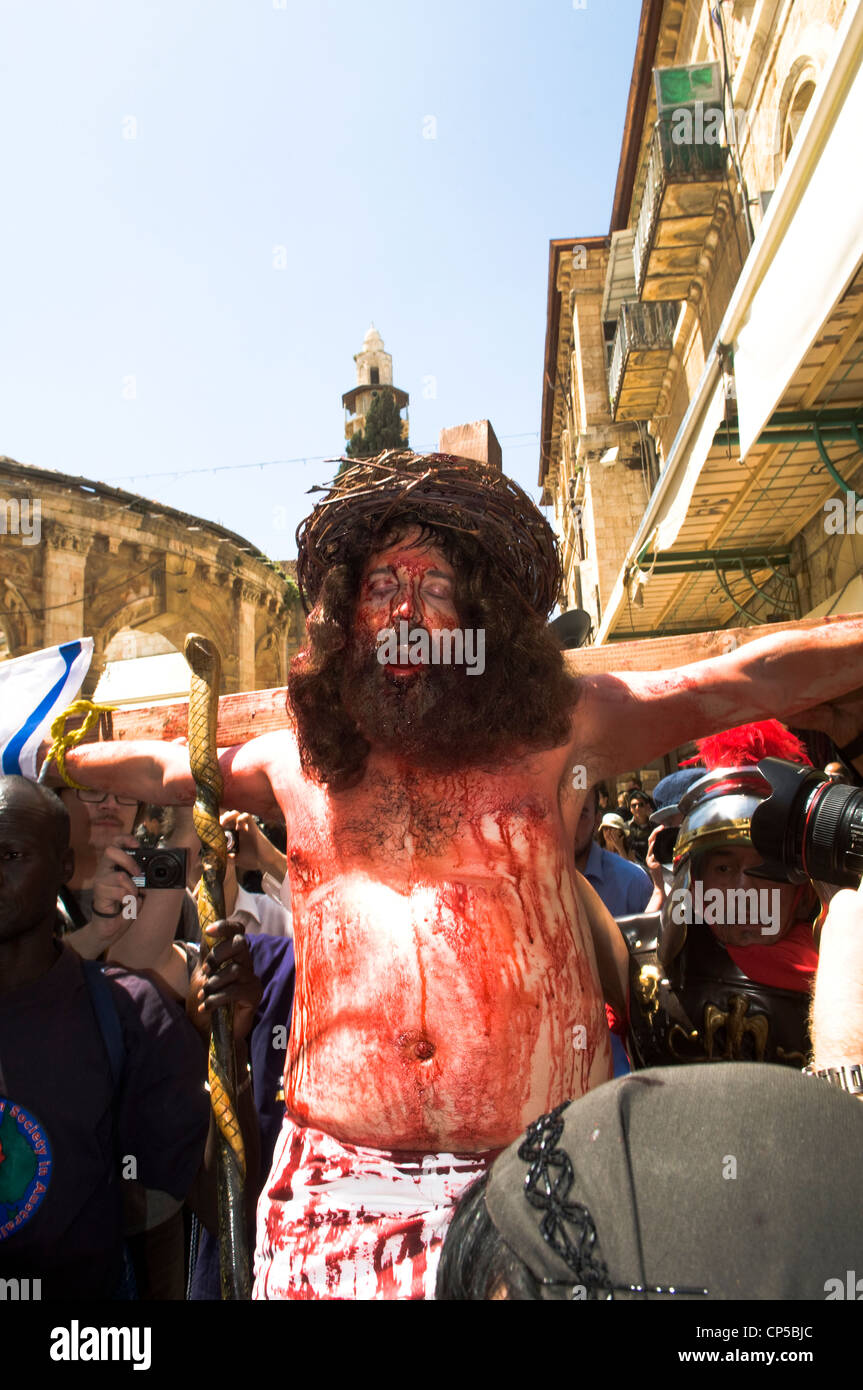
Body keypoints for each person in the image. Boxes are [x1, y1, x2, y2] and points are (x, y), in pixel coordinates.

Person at [32, 450, 863, 1299]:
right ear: (345, 617)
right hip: (336, 1189)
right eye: (381, 586)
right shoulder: (294, 761)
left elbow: (733, 679)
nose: (402, 610)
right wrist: (52, 742)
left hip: (539, 1180)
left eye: (433, 588)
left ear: (479, 616)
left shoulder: (557, 732)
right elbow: (166, 771)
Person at [0, 776, 214, 1299]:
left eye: (124, 791)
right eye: (93, 791)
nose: (110, 804)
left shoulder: (125, 1006)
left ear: (59, 863)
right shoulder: (42, 888)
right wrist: (91, 932)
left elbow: (140, 976)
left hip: (135, 1214)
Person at [623, 721, 822, 1070]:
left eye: (765, 868)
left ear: (803, 891)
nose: (744, 892)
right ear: (694, 886)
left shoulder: (848, 970)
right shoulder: (640, 960)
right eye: (724, 869)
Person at [576, 790, 652, 918]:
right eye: (606, 829)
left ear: (596, 821)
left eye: (580, 815)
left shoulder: (635, 880)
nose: (570, 824)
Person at [623, 789, 655, 864]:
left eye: (641, 805)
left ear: (647, 806)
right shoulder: (625, 827)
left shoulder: (655, 826)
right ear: (630, 809)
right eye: (634, 805)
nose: (637, 808)